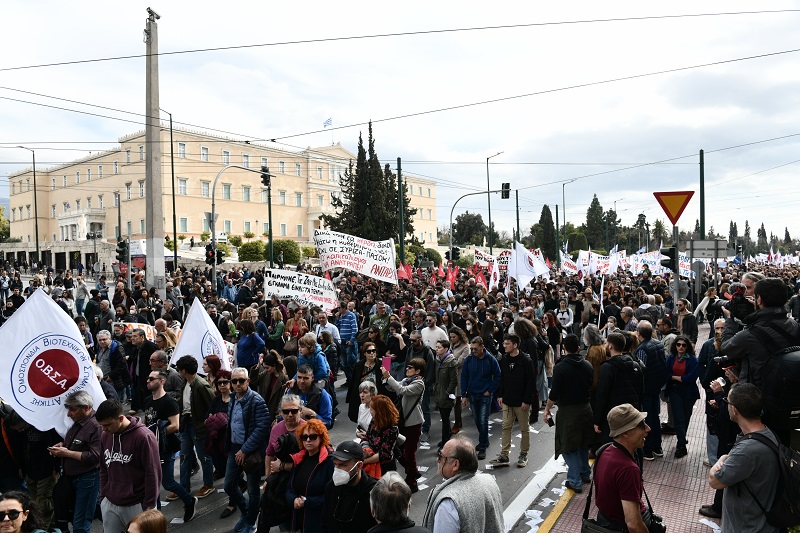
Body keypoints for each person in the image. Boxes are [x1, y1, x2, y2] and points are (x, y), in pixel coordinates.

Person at [721, 277, 799, 445]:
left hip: (758, 404)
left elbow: (726, 347)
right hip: (788, 399)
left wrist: (730, 319)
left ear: (759, 299)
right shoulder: (794, 326)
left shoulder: (750, 334)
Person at [709, 383, 781, 533]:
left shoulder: (747, 450)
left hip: (747, 528)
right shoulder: (767, 434)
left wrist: (722, 458)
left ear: (734, 410)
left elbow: (715, 481)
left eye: (727, 402)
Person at [95, 399, 161, 533]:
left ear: (120, 418)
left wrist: (148, 507)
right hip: (110, 503)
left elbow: (152, 473)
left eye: (107, 425)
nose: (104, 429)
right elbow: (103, 468)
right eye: (101, 425)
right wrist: (103, 497)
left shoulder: (143, 437)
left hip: (136, 505)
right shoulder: (105, 436)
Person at [142, 369, 197, 523]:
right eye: (147, 378)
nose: (148, 381)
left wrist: (155, 432)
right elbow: (148, 422)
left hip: (166, 448)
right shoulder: (147, 401)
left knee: (167, 482)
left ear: (162, 381)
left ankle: (189, 501)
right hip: (152, 447)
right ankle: (157, 518)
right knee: (153, 484)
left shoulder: (169, 402)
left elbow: (175, 425)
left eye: (151, 378)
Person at [422, 434, 503, 533]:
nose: (437, 460)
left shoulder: (448, 503)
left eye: (441, 456)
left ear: (455, 464)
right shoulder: (489, 481)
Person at [543, 333, 594, 492]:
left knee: (568, 446)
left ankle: (574, 481)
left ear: (564, 349)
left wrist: (546, 409)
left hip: (568, 411)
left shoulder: (561, 367)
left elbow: (555, 393)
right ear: (579, 348)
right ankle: (585, 473)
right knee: (583, 444)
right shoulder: (588, 365)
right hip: (586, 409)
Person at [47, 390, 101, 533]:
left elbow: (95, 456)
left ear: (86, 408)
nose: (69, 413)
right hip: (72, 478)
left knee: (80, 523)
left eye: (72, 409)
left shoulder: (95, 426)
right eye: (67, 408)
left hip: (87, 478)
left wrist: (67, 453)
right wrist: (62, 446)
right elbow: (77, 443)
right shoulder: (78, 422)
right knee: (86, 512)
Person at [224, 367, 270, 533]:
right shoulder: (233, 398)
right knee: (229, 485)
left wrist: (245, 449)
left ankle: (251, 522)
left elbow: (262, 428)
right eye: (234, 381)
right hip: (235, 448)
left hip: (251, 451)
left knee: (252, 490)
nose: (237, 384)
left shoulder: (257, 400)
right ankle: (246, 512)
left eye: (241, 380)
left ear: (248, 381)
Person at [593, 404, 651, 533]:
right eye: (641, 425)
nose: (648, 429)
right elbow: (633, 524)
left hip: (604, 521)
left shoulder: (605, 450)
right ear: (626, 433)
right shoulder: (627, 469)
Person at [173, 356, 216, 500]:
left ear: (184, 370)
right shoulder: (185, 383)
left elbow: (211, 405)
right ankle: (184, 486)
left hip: (198, 426)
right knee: (185, 456)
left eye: (179, 369)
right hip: (186, 424)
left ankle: (208, 484)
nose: (178, 372)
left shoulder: (201, 385)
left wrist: (206, 424)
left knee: (204, 456)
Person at [491, 334, 535, 468]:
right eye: (504, 343)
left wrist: (527, 401)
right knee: (506, 427)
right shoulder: (504, 360)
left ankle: (523, 455)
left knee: (524, 429)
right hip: (507, 400)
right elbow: (502, 379)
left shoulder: (526, 360)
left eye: (507, 344)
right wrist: (500, 395)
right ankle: (504, 455)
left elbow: (530, 382)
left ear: (515, 345)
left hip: (522, 402)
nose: (504, 346)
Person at [382, 358, 425, 492]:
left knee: (410, 452)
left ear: (418, 371)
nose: (407, 369)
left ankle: (412, 482)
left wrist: (389, 377)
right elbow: (393, 387)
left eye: (410, 368)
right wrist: (386, 378)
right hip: (403, 421)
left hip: (413, 422)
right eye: (407, 367)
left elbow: (402, 390)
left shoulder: (419, 383)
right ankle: (413, 471)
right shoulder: (407, 380)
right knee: (399, 449)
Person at [593, 332, 644, 443]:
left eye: (606, 342)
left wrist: (597, 420)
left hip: (614, 417)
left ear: (610, 346)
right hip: (632, 414)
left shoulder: (607, 367)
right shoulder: (635, 365)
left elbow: (602, 396)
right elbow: (641, 392)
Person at [286, 419, 335, 533]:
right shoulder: (299, 458)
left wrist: (307, 501)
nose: (308, 440)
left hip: (318, 523)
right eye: (304, 437)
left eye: (313, 437)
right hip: (298, 519)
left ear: (321, 437)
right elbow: (289, 487)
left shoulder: (329, 462)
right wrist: (293, 500)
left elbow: (332, 497)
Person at [322, 441, 378, 533]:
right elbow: (325, 522)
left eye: (343, 465)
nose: (337, 469)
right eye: (335, 464)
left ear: (359, 465)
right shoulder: (331, 487)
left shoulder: (374, 492)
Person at [460, 336, 501, 460]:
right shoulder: (469, 359)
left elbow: (498, 376)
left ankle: (482, 446)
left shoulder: (490, 359)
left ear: (482, 347)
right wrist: (463, 395)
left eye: (475, 349)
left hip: (485, 395)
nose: (473, 352)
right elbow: (464, 377)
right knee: (478, 420)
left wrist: (490, 390)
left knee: (483, 420)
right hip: (472, 394)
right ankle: (485, 440)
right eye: (472, 349)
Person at [634, 320, 668, 460]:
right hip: (656, 387)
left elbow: (641, 371)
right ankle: (657, 447)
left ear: (639, 333)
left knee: (648, 418)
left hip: (647, 388)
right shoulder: (658, 343)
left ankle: (648, 449)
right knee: (655, 416)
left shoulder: (642, 349)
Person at [665, 334, 700, 458]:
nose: (680, 347)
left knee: (686, 417)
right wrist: (679, 379)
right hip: (675, 391)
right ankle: (681, 445)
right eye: (678, 344)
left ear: (687, 347)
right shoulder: (671, 358)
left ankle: (682, 437)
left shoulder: (692, 359)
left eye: (683, 345)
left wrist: (675, 378)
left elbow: (692, 378)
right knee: (679, 418)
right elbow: (666, 374)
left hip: (689, 393)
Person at [361, 394, 400, 477]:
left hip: (385, 469)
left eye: (372, 410)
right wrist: (365, 449)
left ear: (380, 412)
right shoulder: (374, 421)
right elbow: (367, 437)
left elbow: (383, 455)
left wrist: (363, 461)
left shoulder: (393, 429)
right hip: (370, 461)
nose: (370, 412)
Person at [432, 339, 458, 451]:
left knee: (445, 419)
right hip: (439, 393)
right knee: (444, 418)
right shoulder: (438, 359)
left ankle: (445, 442)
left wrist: (447, 392)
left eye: (439, 347)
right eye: (436, 347)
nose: (436, 349)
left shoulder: (451, 361)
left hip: (446, 395)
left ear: (446, 349)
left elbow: (454, 380)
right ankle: (446, 438)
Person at [250, 350, 289, 420]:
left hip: (274, 411)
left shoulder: (284, 379)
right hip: (263, 409)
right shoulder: (266, 374)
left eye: (267, 368)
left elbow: (283, 397)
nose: (265, 370)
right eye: (264, 367)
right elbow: (254, 380)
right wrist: (258, 365)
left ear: (274, 366)